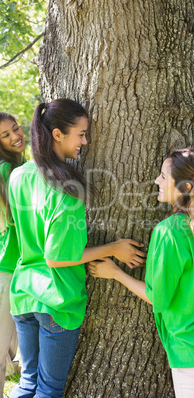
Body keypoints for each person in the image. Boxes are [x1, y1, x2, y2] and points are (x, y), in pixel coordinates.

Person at [8, 99, 146, 398]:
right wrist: (114, 249)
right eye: (81, 134)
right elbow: (57, 258)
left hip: (24, 292)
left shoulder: (19, 175)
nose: (85, 141)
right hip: (56, 299)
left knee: (28, 383)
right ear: (58, 134)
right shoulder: (67, 191)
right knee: (48, 390)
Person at [89, 148, 194, 397]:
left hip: (192, 348)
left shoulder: (169, 232)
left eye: (164, 176)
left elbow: (159, 298)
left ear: (186, 187)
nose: (157, 181)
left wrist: (115, 273)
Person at [0, 112, 25, 398]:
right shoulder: (8, 171)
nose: (15, 136)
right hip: (8, 267)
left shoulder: (19, 166)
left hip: (19, 267)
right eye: (5, 135)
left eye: (15, 128)